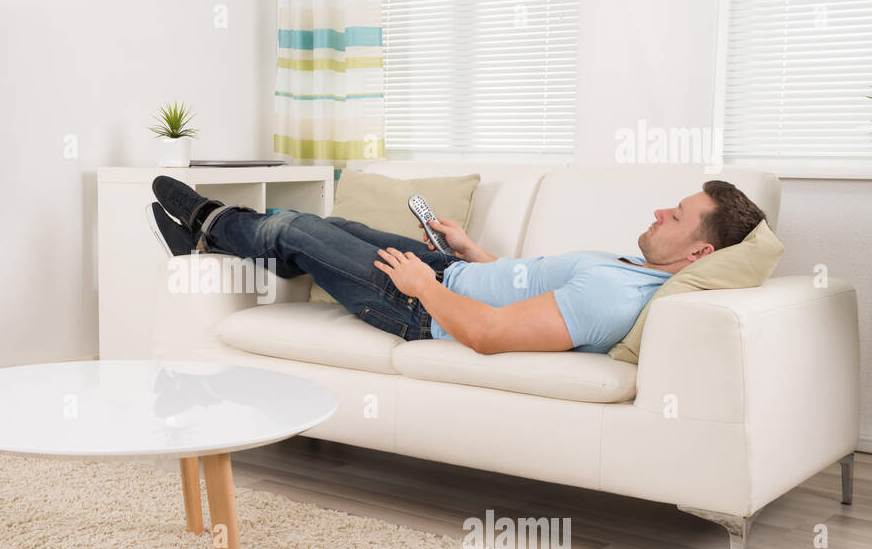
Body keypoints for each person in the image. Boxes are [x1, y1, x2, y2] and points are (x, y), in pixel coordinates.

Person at [146, 175, 767, 354]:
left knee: (299, 226)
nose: (661, 210)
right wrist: (469, 251)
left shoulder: (617, 300)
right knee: (332, 228)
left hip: (420, 308)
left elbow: (492, 334)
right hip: (447, 273)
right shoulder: (632, 267)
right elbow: (523, 289)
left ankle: (210, 221)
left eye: (677, 215)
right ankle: (227, 249)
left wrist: (421, 284)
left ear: (699, 253)